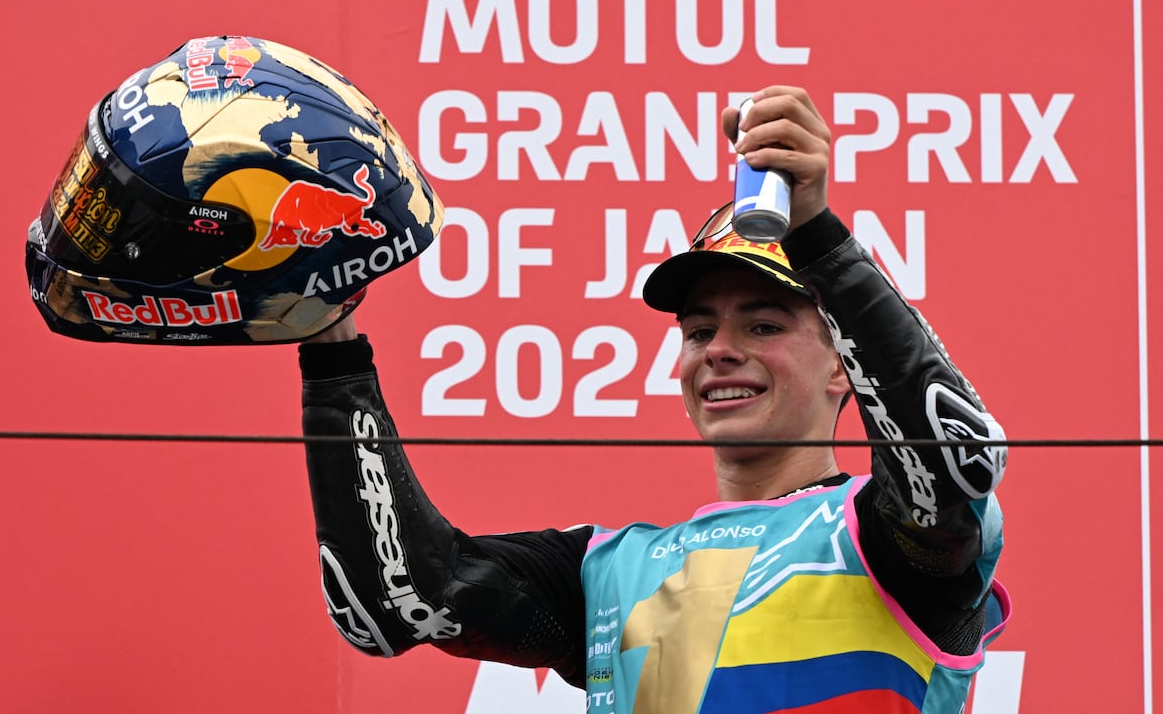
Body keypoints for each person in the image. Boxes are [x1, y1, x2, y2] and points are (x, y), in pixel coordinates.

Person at [299, 86, 1010, 713]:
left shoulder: (888, 541)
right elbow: (400, 600)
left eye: (763, 325)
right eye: (700, 331)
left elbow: (951, 466)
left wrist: (820, 237)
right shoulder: (606, 572)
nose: (720, 349)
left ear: (841, 368)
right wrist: (332, 334)